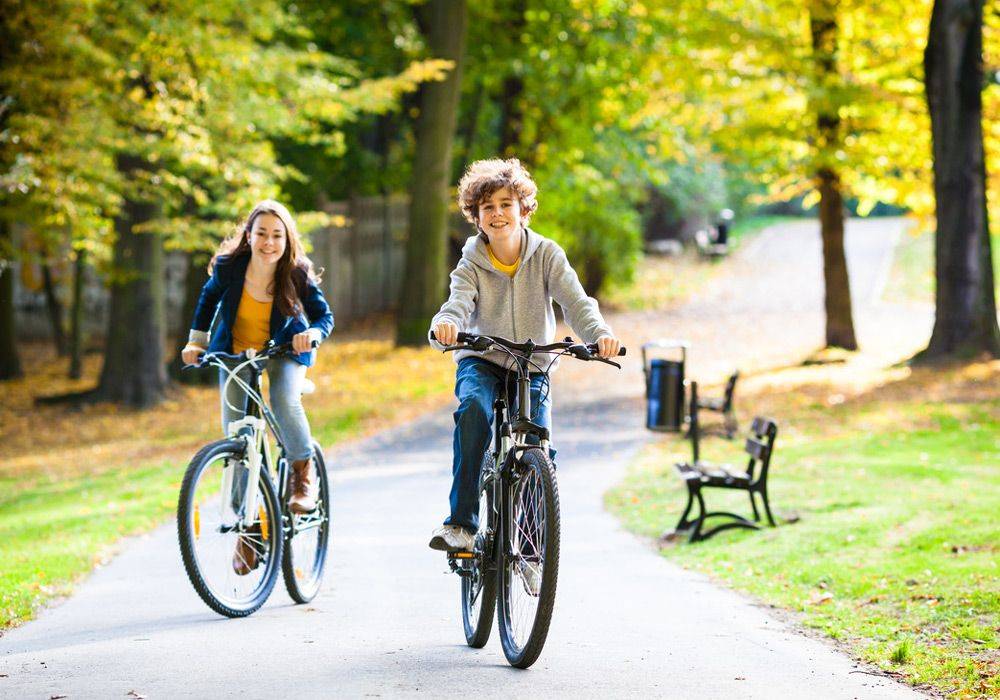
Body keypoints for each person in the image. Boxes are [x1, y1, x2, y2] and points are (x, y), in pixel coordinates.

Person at [428, 158, 621, 553]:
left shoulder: (548, 255)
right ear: (477, 217)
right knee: (474, 412)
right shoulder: (472, 262)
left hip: (533, 363)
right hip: (481, 358)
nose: (497, 213)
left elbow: (577, 302)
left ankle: (532, 549)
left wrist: (599, 334)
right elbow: (457, 304)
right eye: (488, 207)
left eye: (505, 204)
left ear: (523, 209)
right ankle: (461, 524)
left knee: (537, 445)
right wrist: (445, 325)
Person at [180, 200, 333, 574]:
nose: (268, 242)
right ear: (248, 236)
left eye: (276, 235)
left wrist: (311, 334)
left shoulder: (296, 272)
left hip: (283, 351)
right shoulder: (230, 267)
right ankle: (250, 529)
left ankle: (301, 476)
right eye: (261, 233)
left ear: (287, 239)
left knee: (283, 399)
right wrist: (196, 341)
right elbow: (207, 300)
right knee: (237, 436)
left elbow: (323, 316)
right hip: (235, 352)